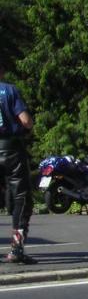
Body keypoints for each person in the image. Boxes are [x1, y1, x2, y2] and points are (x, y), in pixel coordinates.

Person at [0, 62, 36, 265]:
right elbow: (25, 121)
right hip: (11, 148)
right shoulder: (9, 90)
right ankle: (16, 248)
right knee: (21, 196)